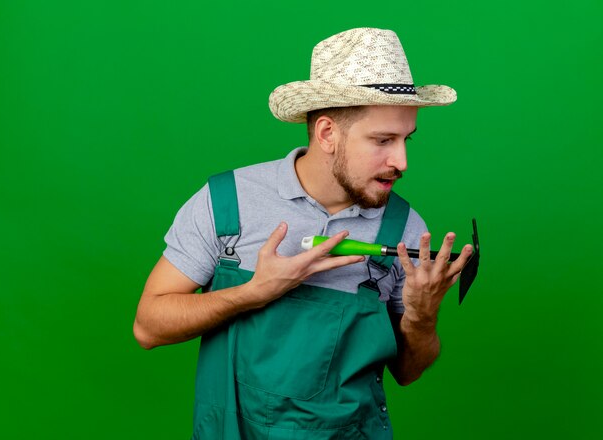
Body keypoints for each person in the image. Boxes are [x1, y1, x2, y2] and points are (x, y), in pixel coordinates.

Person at [134, 27, 473, 439]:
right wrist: (254, 291)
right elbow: (148, 327)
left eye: (406, 140)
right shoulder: (228, 203)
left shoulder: (404, 231)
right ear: (327, 133)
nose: (401, 161)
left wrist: (422, 315)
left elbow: (408, 372)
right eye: (383, 140)